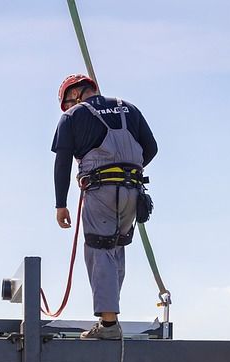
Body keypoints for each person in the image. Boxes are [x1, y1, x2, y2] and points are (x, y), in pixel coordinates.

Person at [52, 75, 158, 340]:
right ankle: (110, 317)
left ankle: (109, 325)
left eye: (67, 101)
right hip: (133, 191)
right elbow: (152, 148)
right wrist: (127, 169)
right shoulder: (129, 108)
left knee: (99, 249)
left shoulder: (73, 116)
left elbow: (62, 162)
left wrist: (60, 204)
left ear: (75, 94)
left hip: (100, 190)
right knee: (115, 249)